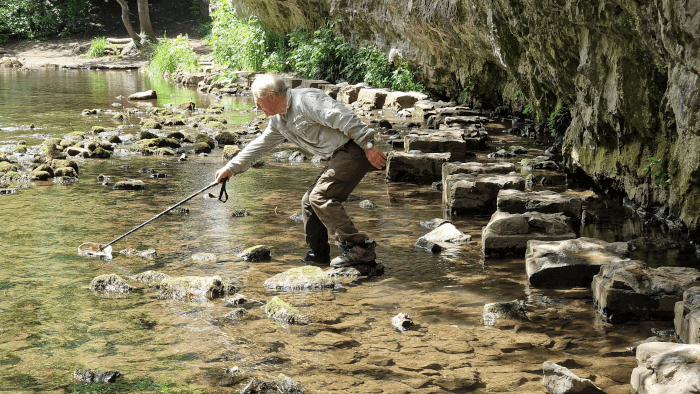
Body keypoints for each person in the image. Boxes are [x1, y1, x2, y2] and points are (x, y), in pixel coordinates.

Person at [215, 74, 387, 267]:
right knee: (308, 202)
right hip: (338, 155)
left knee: (320, 197)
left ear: (271, 97)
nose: (257, 108)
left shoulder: (307, 100)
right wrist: (230, 168)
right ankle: (318, 255)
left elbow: (343, 117)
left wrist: (368, 145)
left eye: (258, 102)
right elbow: (260, 145)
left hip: (354, 149)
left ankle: (360, 248)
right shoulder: (278, 121)